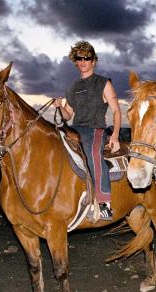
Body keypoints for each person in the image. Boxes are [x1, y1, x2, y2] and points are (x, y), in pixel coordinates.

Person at [54, 40, 121, 220]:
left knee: (93, 152)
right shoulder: (73, 87)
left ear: (94, 61)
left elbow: (116, 110)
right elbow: (68, 115)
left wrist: (114, 136)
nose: (83, 61)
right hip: (76, 128)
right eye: (79, 58)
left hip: (95, 130)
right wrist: (60, 106)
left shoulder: (103, 83)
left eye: (87, 58)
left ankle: (104, 203)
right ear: (75, 61)